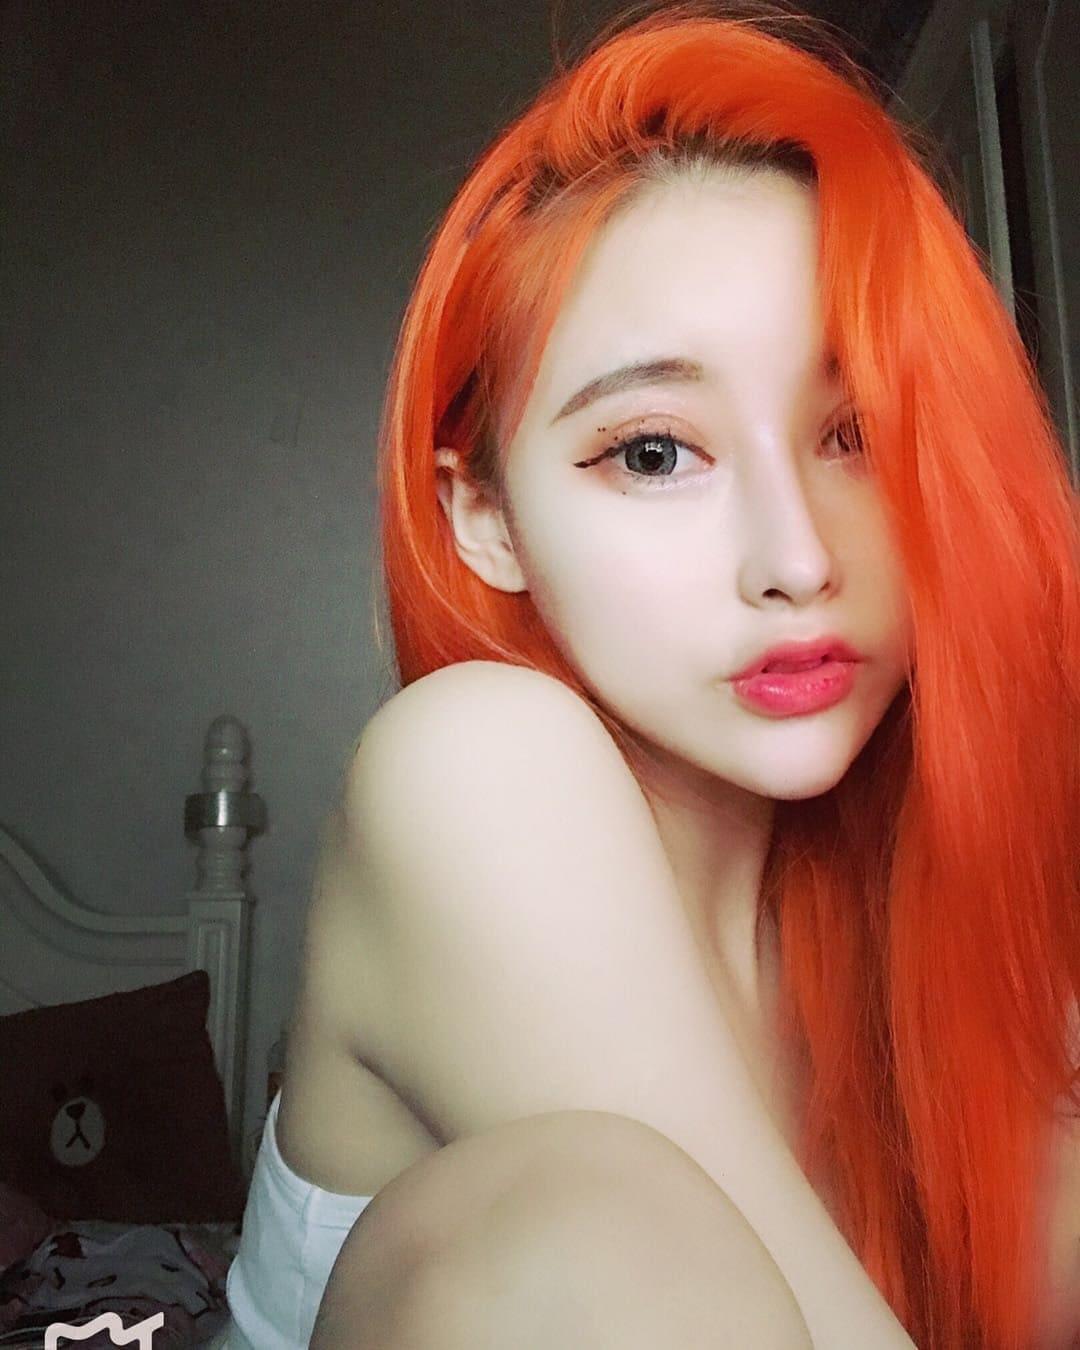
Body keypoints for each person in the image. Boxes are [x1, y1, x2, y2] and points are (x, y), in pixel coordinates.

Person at [220, 3, 1080, 1348]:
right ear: (484, 517)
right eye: (654, 453)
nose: (796, 559)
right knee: (593, 1229)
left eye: (856, 430)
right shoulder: (473, 765)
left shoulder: (906, 912)